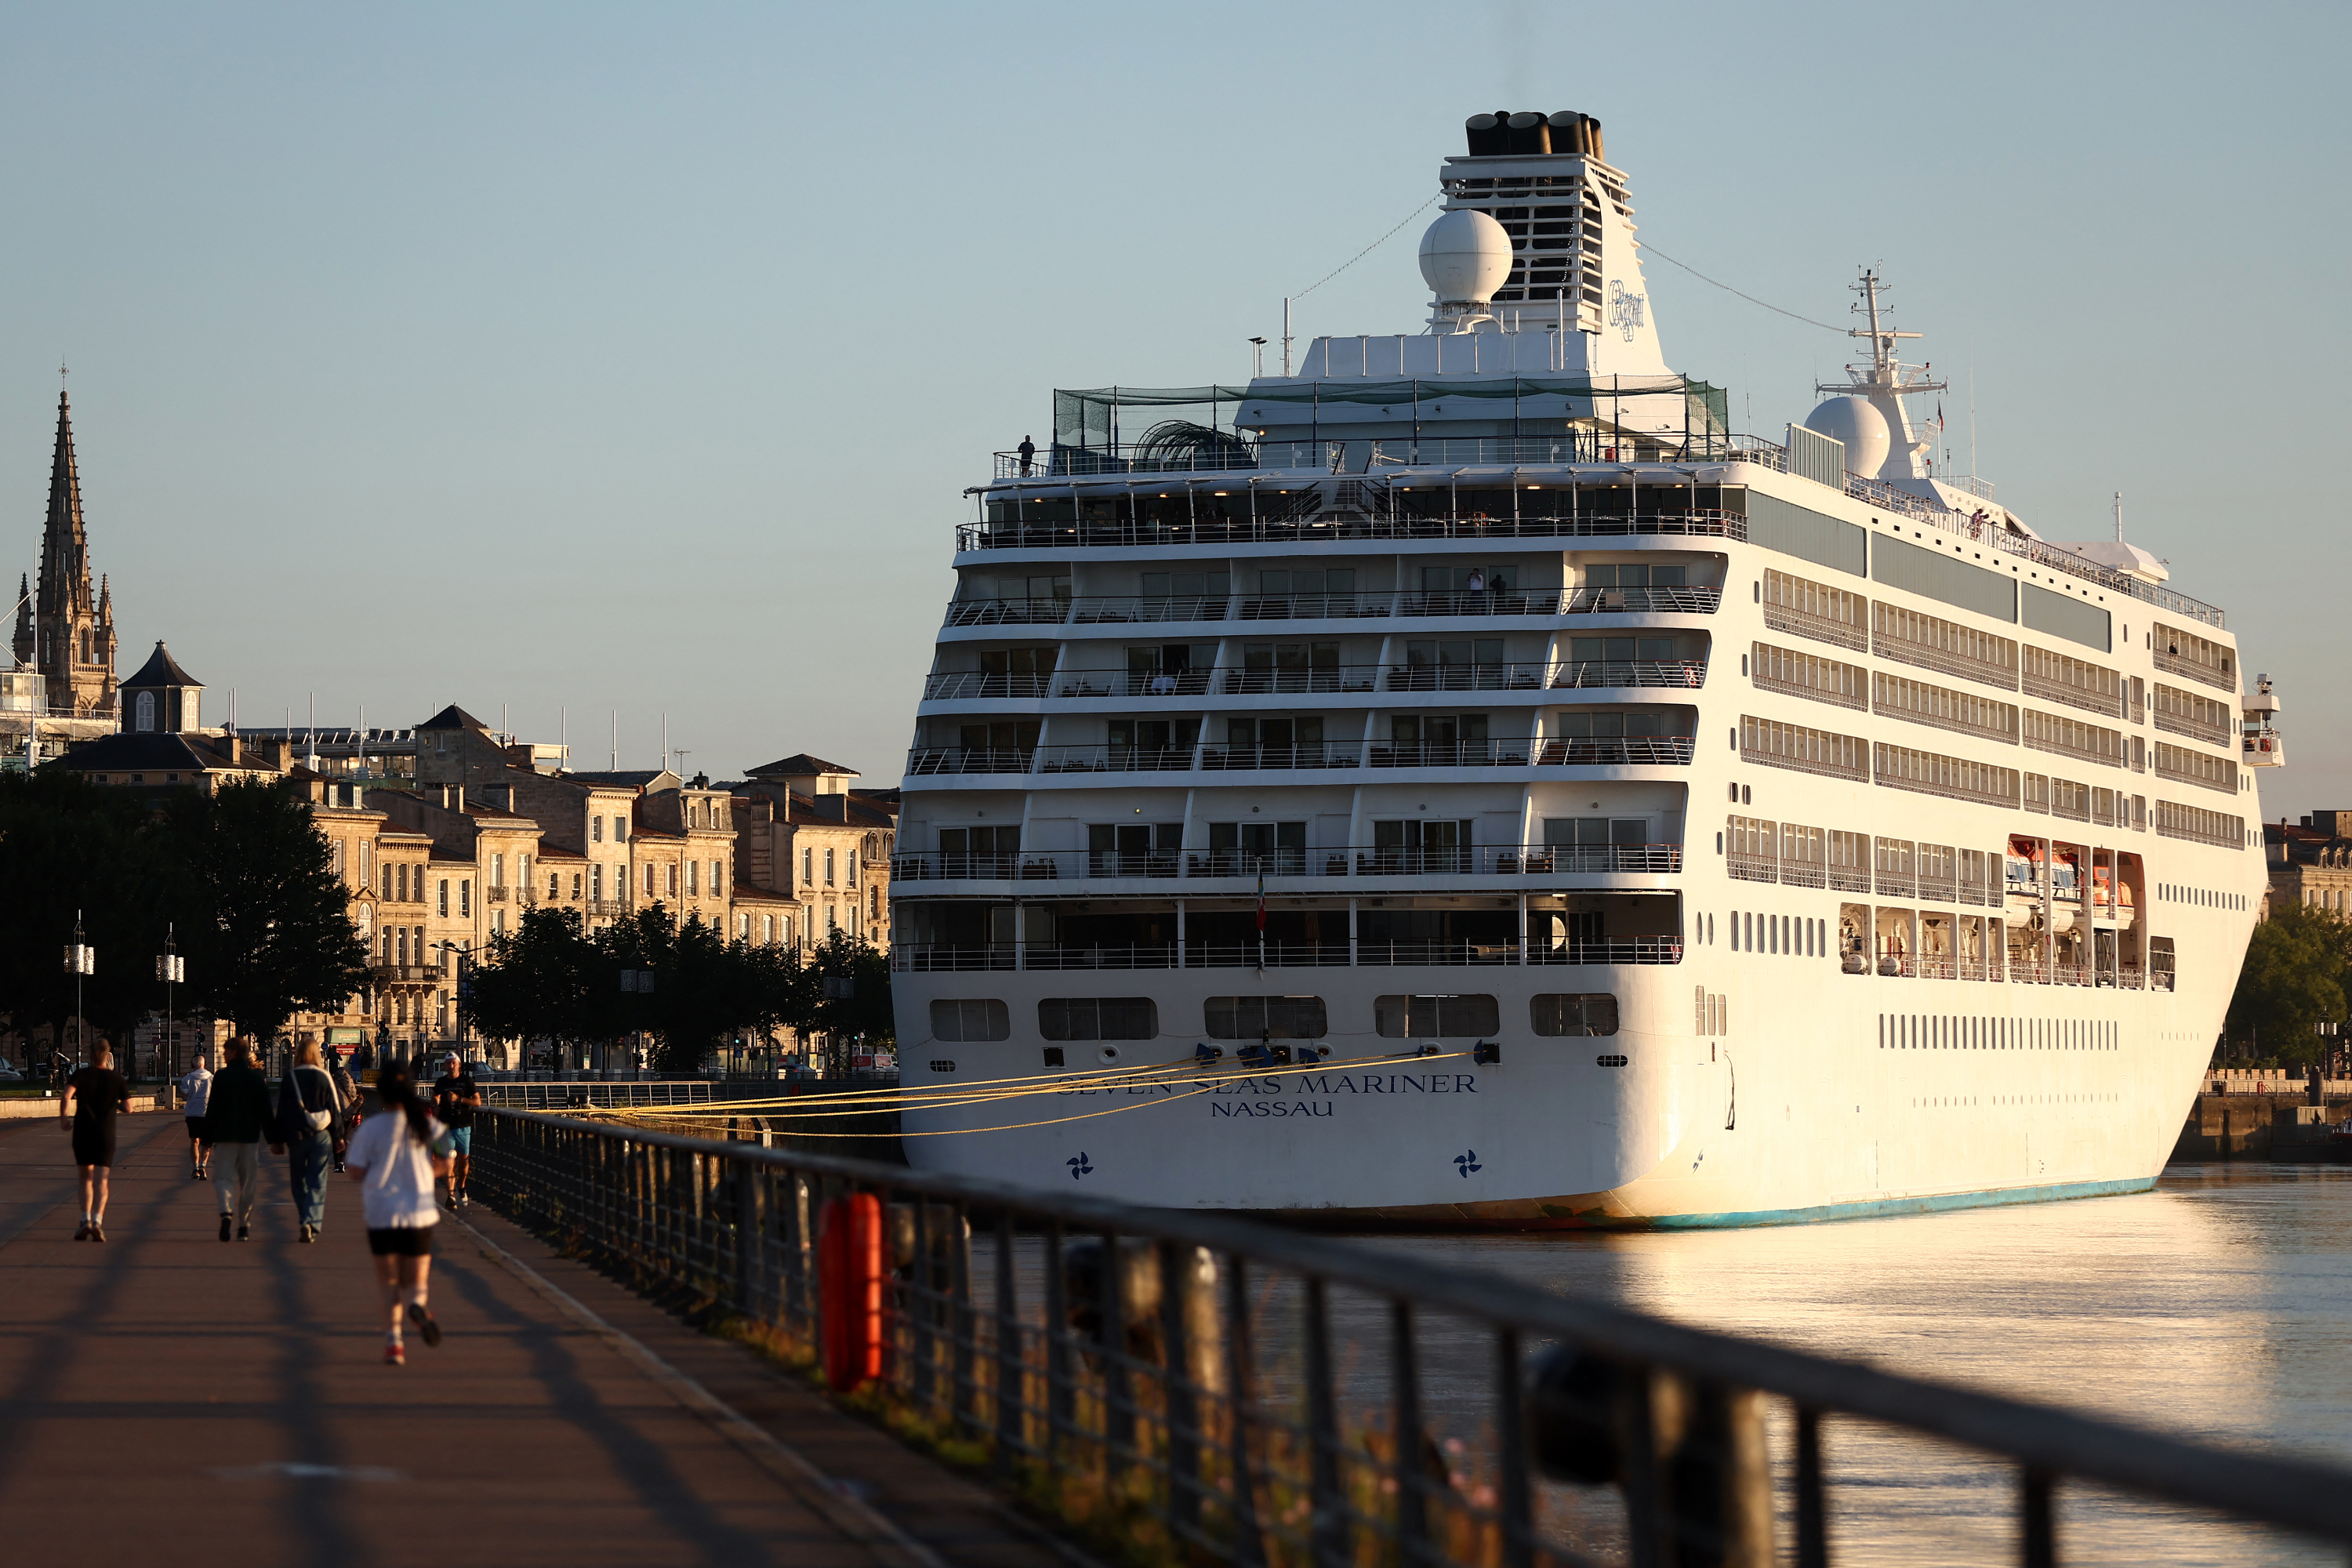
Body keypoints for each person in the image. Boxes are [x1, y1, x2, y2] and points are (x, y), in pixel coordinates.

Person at [344, 1063, 451, 1366]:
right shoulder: (429, 1125)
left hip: (381, 1214)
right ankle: (418, 1305)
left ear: (381, 1093)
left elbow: (354, 1170)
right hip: (419, 1212)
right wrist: (429, 1173)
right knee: (418, 1281)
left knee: (388, 1282)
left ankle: (394, 1342)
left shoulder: (371, 1128)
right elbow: (447, 1158)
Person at [205, 1038, 276, 1242]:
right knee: (248, 1183)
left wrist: (207, 1137)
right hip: (249, 1138)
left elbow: (213, 1108)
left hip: (225, 1136)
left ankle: (226, 1213)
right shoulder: (256, 1078)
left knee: (222, 1178)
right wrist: (273, 1139)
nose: (224, 1054)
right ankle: (244, 1225)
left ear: (235, 1052)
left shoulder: (222, 1076)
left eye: (226, 1051)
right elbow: (266, 1112)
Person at [61, 1043, 130, 1242]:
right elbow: (129, 1107)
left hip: (83, 1131)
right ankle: (98, 1221)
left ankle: (85, 1220)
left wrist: (64, 1119)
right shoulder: (116, 1078)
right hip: (105, 1133)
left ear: (90, 1055)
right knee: (102, 1180)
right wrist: (113, 1104)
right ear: (107, 1056)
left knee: (85, 1178)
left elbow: (67, 1095)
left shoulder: (80, 1075)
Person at [275, 1042, 343, 1243]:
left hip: (296, 1136)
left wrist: (277, 1139)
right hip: (320, 1135)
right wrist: (338, 1136)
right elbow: (334, 1108)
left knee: (298, 1180)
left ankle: (304, 1217)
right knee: (318, 1180)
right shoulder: (324, 1076)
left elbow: (282, 1111)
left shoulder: (290, 1078)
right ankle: (312, 1220)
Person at [432, 1054, 480, 1207]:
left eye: (453, 1063)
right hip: (446, 1127)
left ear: (459, 1065)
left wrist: (459, 1100)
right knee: (448, 1162)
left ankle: (462, 1186)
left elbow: (477, 1102)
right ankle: (451, 1196)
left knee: (463, 1162)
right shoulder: (441, 1082)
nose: (451, 1066)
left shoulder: (467, 1081)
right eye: (448, 1063)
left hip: (464, 1126)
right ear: (445, 1066)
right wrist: (435, 1103)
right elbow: (434, 1098)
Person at [179, 1048, 216, 1181]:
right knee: (207, 1143)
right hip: (207, 1113)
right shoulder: (212, 1078)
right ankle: (203, 1166)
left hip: (193, 1113)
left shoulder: (188, 1078)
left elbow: (184, 1094)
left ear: (193, 1064)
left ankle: (195, 1168)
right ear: (204, 1064)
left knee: (194, 1141)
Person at [326, 1051, 361, 1174]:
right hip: (349, 1113)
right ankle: (342, 1163)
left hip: (337, 1115)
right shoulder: (350, 1083)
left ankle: (338, 1164)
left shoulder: (334, 1083)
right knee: (345, 1139)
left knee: (337, 1139)